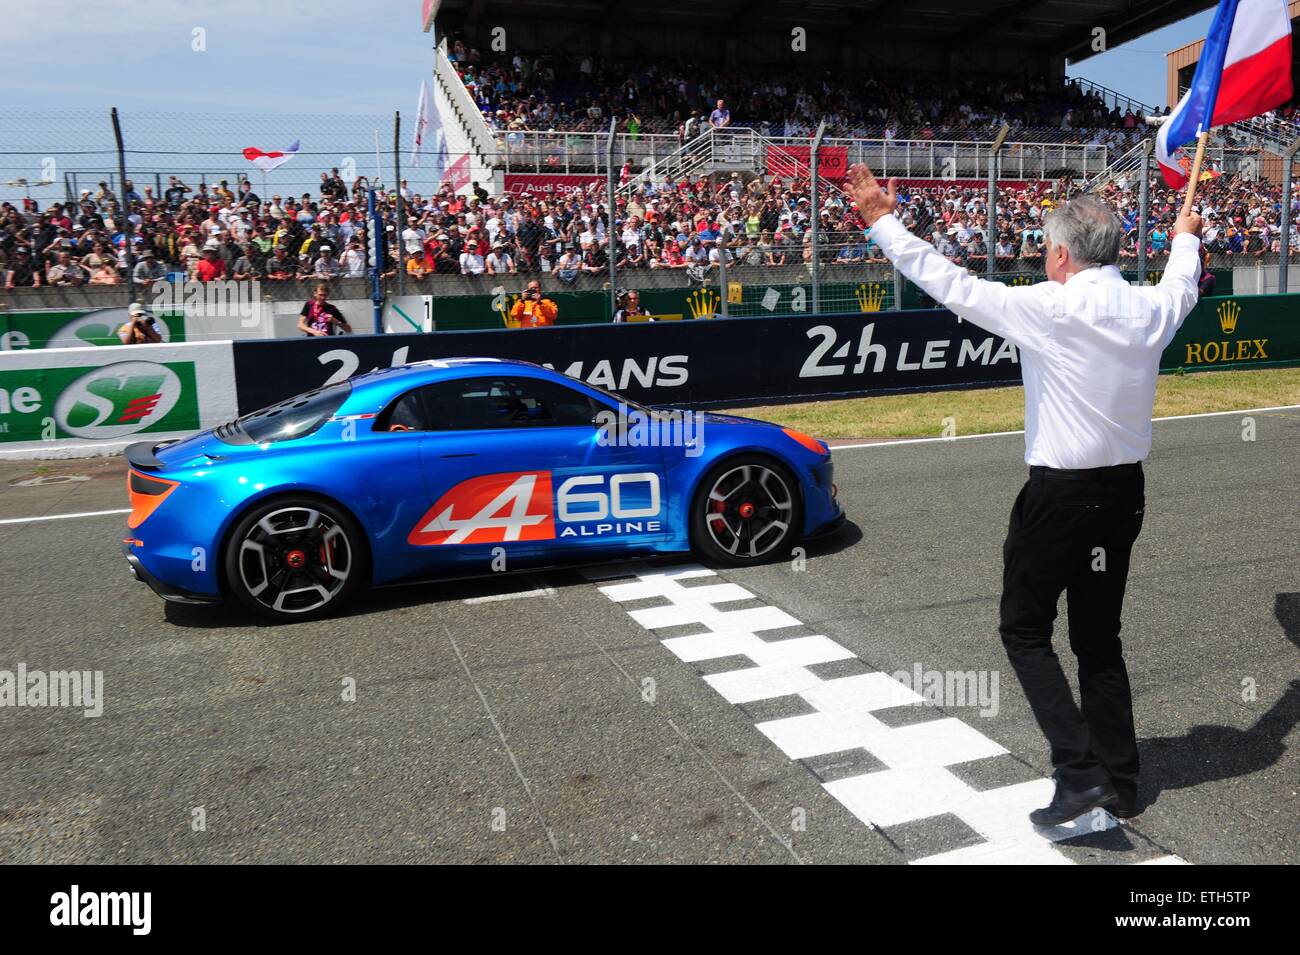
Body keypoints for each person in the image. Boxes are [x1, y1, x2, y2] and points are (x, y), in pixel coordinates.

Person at [846, 163, 1202, 826]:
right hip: (1123, 494)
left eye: (1045, 251)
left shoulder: (1049, 307)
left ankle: (1078, 772)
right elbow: (1183, 284)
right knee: (1099, 637)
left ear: (1063, 256)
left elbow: (951, 284)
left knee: (1023, 627)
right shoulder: (1150, 307)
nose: (1044, 261)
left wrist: (881, 220)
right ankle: (1120, 782)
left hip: (1061, 496)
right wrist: (1186, 236)